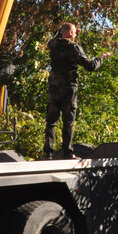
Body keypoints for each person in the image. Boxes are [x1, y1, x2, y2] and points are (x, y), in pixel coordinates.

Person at [43, 23, 111, 160]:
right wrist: (101, 57)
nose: (76, 34)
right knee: (68, 121)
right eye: (74, 32)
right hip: (68, 88)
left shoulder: (53, 44)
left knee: (51, 121)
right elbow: (91, 66)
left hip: (54, 87)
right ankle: (67, 152)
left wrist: (65, 31)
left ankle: (48, 153)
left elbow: (56, 37)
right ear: (69, 33)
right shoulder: (73, 48)